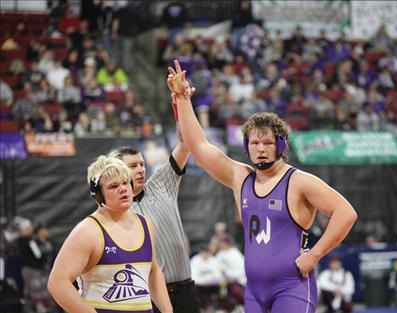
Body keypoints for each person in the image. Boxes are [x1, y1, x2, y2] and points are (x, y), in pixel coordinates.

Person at [168, 59, 357, 313]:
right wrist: (182, 98)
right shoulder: (241, 178)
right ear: (246, 147)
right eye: (254, 143)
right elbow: (199, 147)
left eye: (267, 143)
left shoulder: (298, 181)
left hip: (292, 287)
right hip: (255, 292)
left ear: (280, 146)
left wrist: (315, 254)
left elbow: (346, 213)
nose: (260, 149)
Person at [47, 156, 172, 313]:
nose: (123, 189)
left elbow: (153, 271)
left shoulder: (145, 224)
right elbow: (57, 283)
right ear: (98, 194)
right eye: (113, 186)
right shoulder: (88, 231)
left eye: (126, 182)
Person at [107, 116, 201, 312]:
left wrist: (180, 102)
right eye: (133, 166)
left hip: (185, 292)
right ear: (117, 171)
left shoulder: (161, 182)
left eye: (141, 164)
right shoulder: (114, 211)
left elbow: (185, 143)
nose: (140, 169)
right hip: (147, 298)